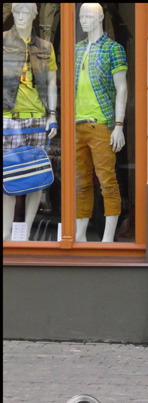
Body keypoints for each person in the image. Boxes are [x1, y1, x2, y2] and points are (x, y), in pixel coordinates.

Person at [3, 2, 58, 241]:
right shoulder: (3, 41)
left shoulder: (45, 46)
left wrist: (53, 115)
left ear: (35, 16)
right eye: (17, 11)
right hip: (9, 117)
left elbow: (52, 83)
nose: (21, 16)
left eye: (26, 11)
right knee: (9, 174)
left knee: (36, 176)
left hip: (38, 118)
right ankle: (6, 230)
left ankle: (24, 230)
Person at [74, 3, 128, 242]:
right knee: (80, 182)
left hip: (102, 124)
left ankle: (107, 239)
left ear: (99, 18)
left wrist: (119, 125)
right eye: (80, 16)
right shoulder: (76, 49)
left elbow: (122, 88)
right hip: (76, 125)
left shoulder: (113, 49)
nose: (82, 20)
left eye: (88, 16)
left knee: (107, 181)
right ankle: (80, 235)